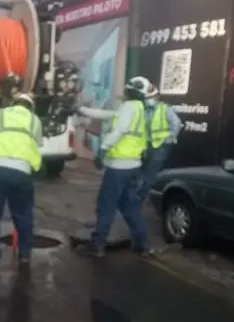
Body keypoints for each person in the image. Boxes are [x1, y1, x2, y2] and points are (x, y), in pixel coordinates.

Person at [74, 76, 152, 258]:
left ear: (129, 91)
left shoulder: (129, 107)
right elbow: (108, 115)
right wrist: (81, 109)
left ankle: (97, 246)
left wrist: (102, 149)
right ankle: (142, 244)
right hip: (133, 166)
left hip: (119, 167)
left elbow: (120, 130)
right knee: (130, 206)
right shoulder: (138, 108)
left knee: (106, 205)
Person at [0, 92, 43, 279]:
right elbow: (38, 143)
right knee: (23, 216)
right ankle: (24, 255)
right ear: (29, 106)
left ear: (13, 103)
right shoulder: (34, 120)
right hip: (22, 172)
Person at [134, 77, 183, 204]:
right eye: (146, 98)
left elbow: (177, 123)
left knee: (151, 171)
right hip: (148, 145)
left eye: (150, 98)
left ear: (156, 97)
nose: (148, 100)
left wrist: (169, 139)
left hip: (161, 146)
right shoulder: (144, 110)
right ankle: (143, 194)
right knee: (143, 171)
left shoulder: (164, 109)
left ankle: (142, 195)